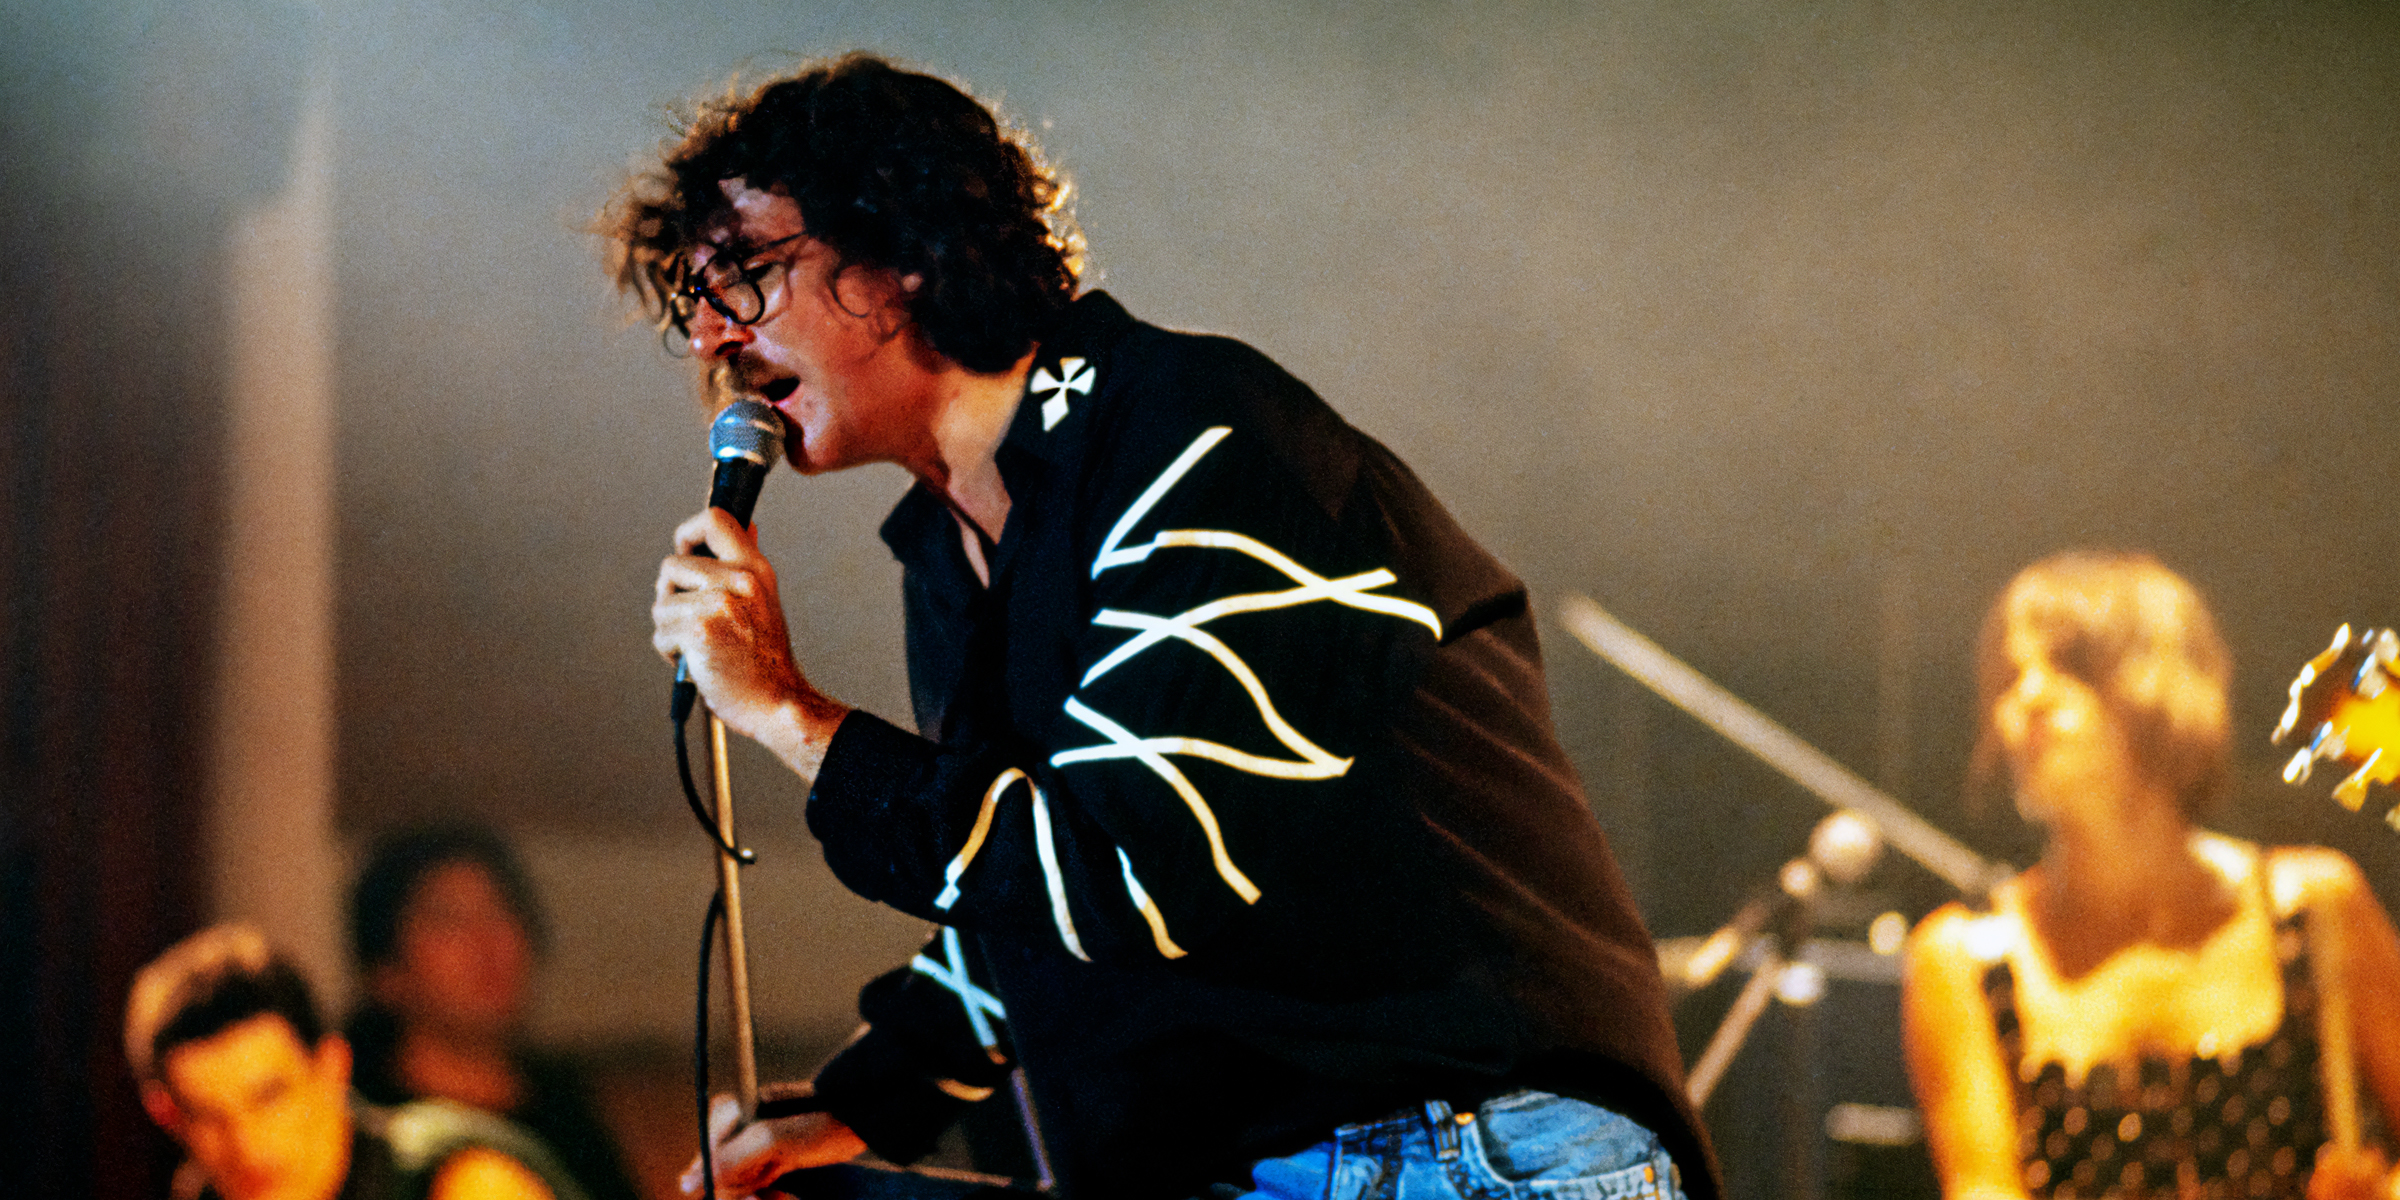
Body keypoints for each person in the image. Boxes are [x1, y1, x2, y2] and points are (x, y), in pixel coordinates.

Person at [613, 53, 1718, 1200]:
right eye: (695, 303)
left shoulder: (1199, 441)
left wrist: (792, 715)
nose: (711, 340)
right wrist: (861, 1108)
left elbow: (1126, 873)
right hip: (1272, 1161)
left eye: (744, 275)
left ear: (898, 251)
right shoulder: (949, 551)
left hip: (1463, 1147)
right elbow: (1022, 899)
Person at [1902, 552, 2400, 1200]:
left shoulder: (2315, 906)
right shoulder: (1962, 959)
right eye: (2007, 677)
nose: (2027, 696)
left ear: (2165, 681)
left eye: (2070, 665)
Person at [126, 923, 587, 1200]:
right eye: (209, 1115)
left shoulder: (468, 1184)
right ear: (167, 1115)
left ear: (331, 1068)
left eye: (270, 1096)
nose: (246, 1143)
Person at [346, 826, 644, 1200]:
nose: (486, 943)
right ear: (385, 973)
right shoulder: (361, 1124)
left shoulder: (564, 1111)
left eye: (499, 910)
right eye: (448, 920)